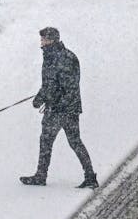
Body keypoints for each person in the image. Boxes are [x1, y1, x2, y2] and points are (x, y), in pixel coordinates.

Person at [21, 27, 98, 188]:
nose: (41, 43)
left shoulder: (64, 58)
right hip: (60, 108)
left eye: (43, 40)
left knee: (67, 142)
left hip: (64, 109)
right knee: (54, 141)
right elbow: (50, 83)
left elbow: (65, 87)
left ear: (51, 40)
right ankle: (43, 175)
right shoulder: (51, 56)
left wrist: (45, 98)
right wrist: (40, 97)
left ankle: (88, 176)